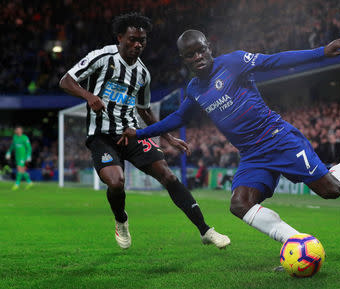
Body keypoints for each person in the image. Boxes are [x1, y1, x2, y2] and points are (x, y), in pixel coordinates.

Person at [119, 30, 340, 250]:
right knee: (240, 204)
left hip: (278, 139)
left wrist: (320, 52)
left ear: (209, 47)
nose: (197, 57)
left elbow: (275, 61)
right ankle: (298, 244)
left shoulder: (233, 62)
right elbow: (179, 117)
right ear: (184, 59)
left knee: (332, 190)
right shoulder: (194, 89)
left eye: (200, 50)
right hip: (252, 155)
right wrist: (140, 132)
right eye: (190, 55)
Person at [59, 14, 229, 250]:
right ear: (120, 38)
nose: (137, 44)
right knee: (117, 182)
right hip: (101, 136)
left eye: (142, 40)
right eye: (132, 39)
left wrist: (169, 138)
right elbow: (66, 81)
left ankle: (205, 230)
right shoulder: (101, 57)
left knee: (168, 176)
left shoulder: (142, 74)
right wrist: (89, 96)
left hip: (131, 133)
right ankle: (121, 220)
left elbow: (145, 111)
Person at [5, 126, 33, 190]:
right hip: (17, 156)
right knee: (22, 170)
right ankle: (29, 182)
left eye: (17, 130)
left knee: (19, 168)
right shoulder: (15, 137)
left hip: (23, 156)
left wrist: (28, 156)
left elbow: (29, 147)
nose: (16, 131)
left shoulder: (25, 138)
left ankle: (17, 184)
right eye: (16, 130)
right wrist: (9, 152)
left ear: (21, 131)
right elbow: (13, 145)